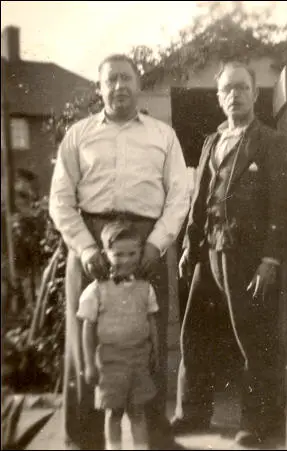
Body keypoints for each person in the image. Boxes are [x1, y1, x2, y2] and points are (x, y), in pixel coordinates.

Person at [49, 53, 190, 449]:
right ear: (99, 88)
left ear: (139, 84)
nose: (119, 87)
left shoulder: (163, 135)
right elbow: (60, 199)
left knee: (148, 339)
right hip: (92, 243)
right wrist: (85, 246)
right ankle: (84, 440)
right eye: (110, 80)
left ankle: (156, 437)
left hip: (145, 244)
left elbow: (180, 195)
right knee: (86, 339)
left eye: (126, 78)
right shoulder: (78, 135)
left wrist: (157, 243)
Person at [170, 61, 287, 446]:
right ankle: (191, 412)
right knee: (195, 334)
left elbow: (284, 207)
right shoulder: (212, 141)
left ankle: (259, 424)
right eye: (227, 89)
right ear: (219, 97)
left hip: (249, 258)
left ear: (255, 94)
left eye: (242, 87)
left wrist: (270, 259)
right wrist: (190, 248)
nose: (234, 95)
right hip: (210, 250)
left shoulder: (272, 143)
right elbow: (201, 200)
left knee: (254, 339)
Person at [78, 220, 159, 450]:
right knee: (113, 412)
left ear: (140, 252)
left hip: (139, 358)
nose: (126, 260)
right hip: (110, 361)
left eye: (132, 253)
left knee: (138, 410)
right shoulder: (96, 290)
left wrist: (156, 350)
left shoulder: (146, 288)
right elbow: (87, 327)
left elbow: (151, 320)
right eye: (118, 254)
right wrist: (89, 365)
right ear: (105, 254)